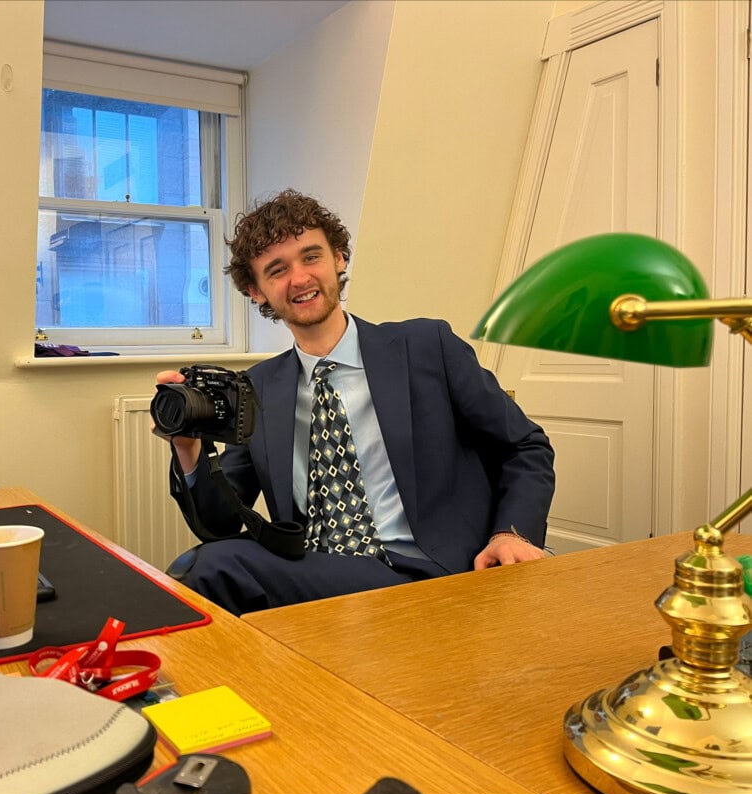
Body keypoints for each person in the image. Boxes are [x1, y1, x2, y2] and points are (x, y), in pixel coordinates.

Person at [155, 189, 555, 615]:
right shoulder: (257, 388)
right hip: (317, 570)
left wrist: (512, 534)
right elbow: (220, 525)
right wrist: (188, 448)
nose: (300, 279)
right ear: (256, 291)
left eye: (311, 257)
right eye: (277, 270)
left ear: (339, 258)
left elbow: (525, 446)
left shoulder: (424, 347)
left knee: (209, 569)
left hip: (424, 571)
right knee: (210, 563)